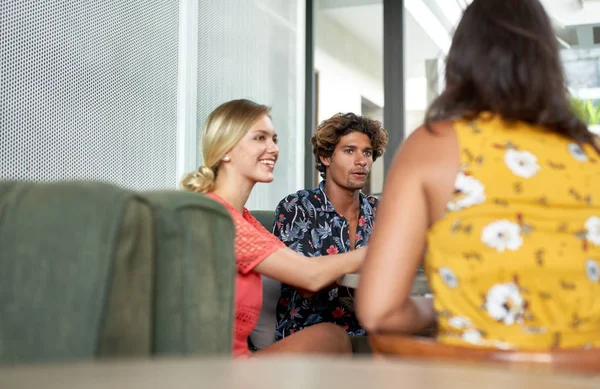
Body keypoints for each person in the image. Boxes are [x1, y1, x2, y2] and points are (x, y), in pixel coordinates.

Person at [356, 0, 600, 351]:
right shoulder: (593, 152)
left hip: (474, 377)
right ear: (547, 61)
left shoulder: (433, 145)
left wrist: (440, 308)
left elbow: (379, 312)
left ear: (461, 61)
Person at [181, 99, 367, 358]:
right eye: (260, 138)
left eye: (274, 139)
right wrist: (381, 250)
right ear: (225, 150)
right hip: (216, 371)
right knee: (332, 337)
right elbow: (309, 276)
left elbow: (300, 266)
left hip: (238, 360)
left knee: (333, 336)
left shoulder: (245, 220)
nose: (273, 149)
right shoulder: (216, 217)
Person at [273, 113, 388, 341]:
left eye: (367, 152)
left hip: (373, 335)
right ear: (326, 157)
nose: (361, 161)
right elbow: (306, 283)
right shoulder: (297, 208)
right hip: (310, 337)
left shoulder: (381, 212)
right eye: (349, 151)